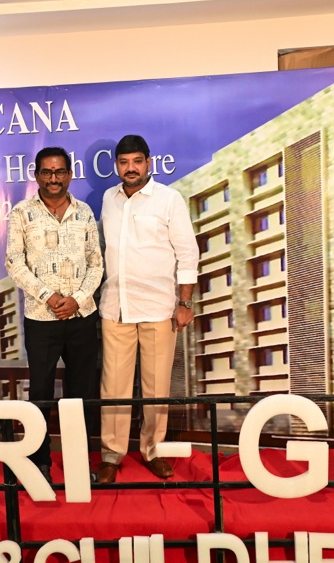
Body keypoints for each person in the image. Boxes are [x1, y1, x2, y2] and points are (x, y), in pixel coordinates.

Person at [96, 134, 199, 483]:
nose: (131, 168)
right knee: (113, 388)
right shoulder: (109, 199)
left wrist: (185, 303)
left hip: (158, 308)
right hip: (116, 308)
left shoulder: (169, 199)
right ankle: (111, 455)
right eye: (124, 162)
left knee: (156, 389)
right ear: (116, 165)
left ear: (148, 163)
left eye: (137, 162)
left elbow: (188, 253)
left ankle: (153, 450)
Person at [5, 146, 103, 483]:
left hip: (82, 317)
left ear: (69, 174)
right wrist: (49, 296)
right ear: (36, 176)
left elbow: (96, 263)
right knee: (41, 394)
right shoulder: (21, 213)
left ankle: (78, 462)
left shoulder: (84, 213)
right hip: (40, 319)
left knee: (82, 393)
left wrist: (77, 299)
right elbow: (14, 263)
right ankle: (40, 462)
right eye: (46, 172)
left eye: (59, 171)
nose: (53, 178)